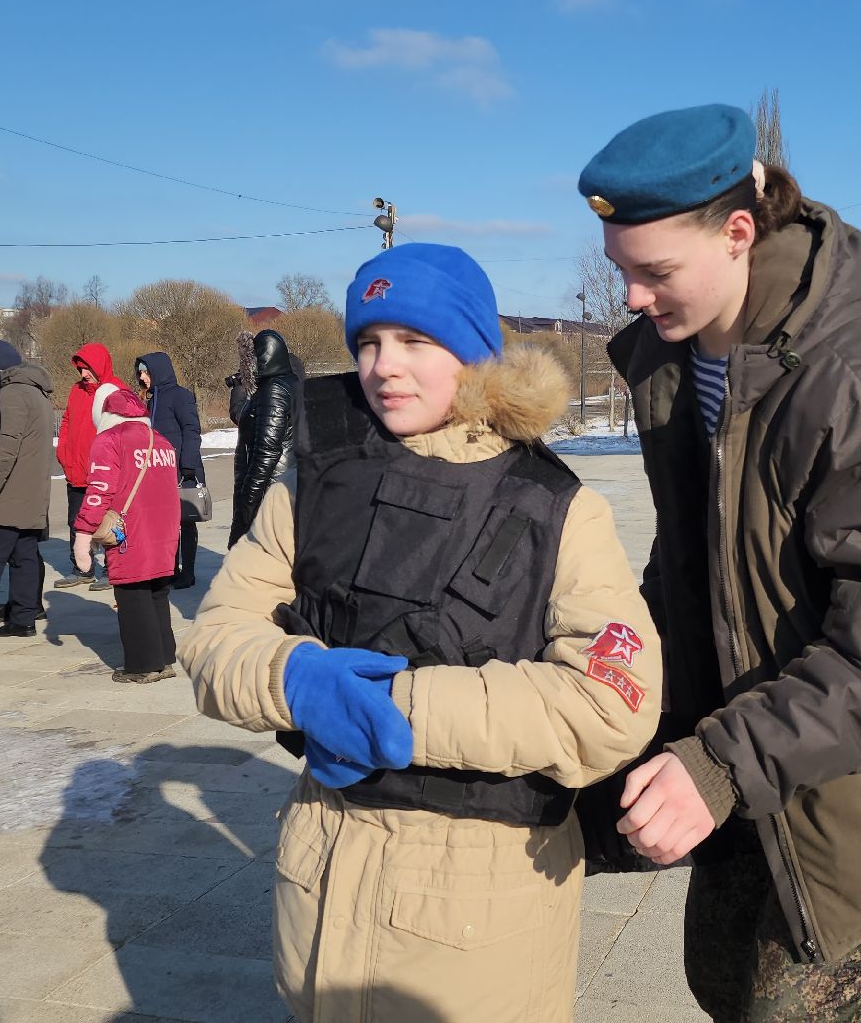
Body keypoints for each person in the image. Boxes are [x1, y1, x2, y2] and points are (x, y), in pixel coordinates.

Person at [580, 105, 861, 1021]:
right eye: (621, 269)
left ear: (737, 234)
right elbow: (694, 560)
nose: (629, 297)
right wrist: (614, 673)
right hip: (749, 744)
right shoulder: (676, 362)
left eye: (653, 272)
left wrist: (719, 765)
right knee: (720, 979)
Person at [179, 243, 661, 1023]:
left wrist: (401, 709)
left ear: (473, 356)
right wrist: (295, 677)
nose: (385, 366)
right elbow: (214, 639)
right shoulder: (312, 484)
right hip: (322, 890)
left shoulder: (559, 509)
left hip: (476, 925)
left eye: (415, 340)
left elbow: (613, 702)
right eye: (368, 342)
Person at [72, 387, 181, 683]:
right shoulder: (160, 440)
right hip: (164, 529)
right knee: (157, 592)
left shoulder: (109, 440)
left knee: (133, 594)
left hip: (130, 530)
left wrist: (83, 532)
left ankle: (143, 664)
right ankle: (164, 658)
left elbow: (99, 491)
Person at [0, 340, 53, 646]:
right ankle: (23, 620)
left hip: (8, 496)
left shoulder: (12, 394)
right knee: (24, 558)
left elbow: (5, 449)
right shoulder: (37, 393)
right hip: (32, 495)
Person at [54, 341, 121, 590]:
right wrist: (63, 452)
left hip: (103, 473)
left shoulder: (115, 391)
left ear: (99, 366)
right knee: (76, 522)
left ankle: (113, 570)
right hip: (76, 470)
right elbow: (67, 421)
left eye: (87, 368)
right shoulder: (76, 390)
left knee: (109, 523)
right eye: (80, 369)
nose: (83, 374)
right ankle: (82, 569)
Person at [133, 352, 203, 589]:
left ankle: (188, 572)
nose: (142, 377)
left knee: (186, 521)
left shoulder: (181, 396)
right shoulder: (152, 401)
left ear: (158, 371)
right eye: (140, 373)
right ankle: (171, 569)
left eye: (145, 372)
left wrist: (188, 464)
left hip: (183, 469)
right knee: (166, 523)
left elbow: (192, 429)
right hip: (161, 472)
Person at [226, 329, 300, 547]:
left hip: (269, 488)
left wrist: (246, 507)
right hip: (283, 483)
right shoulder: (290, 383)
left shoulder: (274, 390)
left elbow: (266, 452)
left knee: (257, 556)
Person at [225, 330, 257, 425]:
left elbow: (240, 418)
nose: (239, 350)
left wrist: (238, 389)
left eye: (241, 347)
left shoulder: (248, 364)